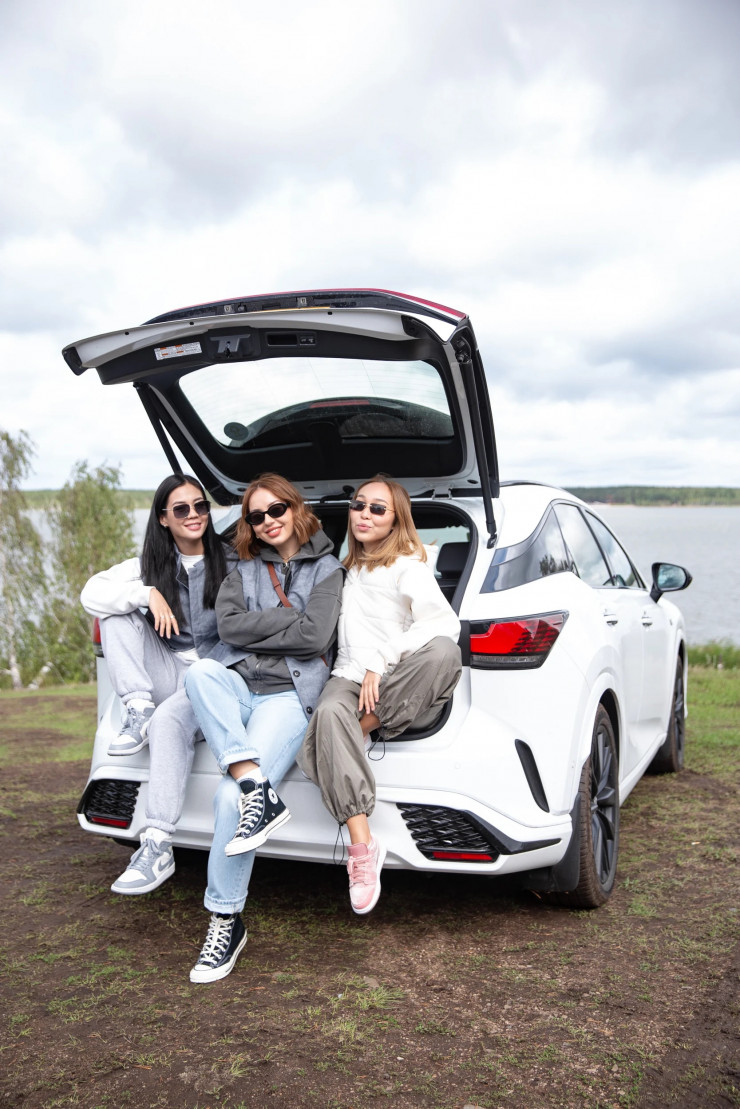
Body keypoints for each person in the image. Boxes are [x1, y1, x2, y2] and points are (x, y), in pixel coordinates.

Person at [184, 473, 344, 983]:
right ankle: (255, 780)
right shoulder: (242, 565)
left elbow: (315, 637)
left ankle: (225, 921)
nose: (268, 521)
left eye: (277, 510)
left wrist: (269, 625)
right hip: (237, 684)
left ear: (295, 508)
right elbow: (227, 627)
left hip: (287, 696)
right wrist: (290, 620)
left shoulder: (329, 569)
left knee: (229, 801)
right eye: (257, 516)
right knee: (200, 673)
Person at [298, 475, 462, 916]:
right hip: (347, 677)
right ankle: (363, 849)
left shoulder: (408, 566)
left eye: (377, 508)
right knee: (329, 711)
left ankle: (353, 735)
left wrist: (382, 658)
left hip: (393, 677)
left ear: (395, 520)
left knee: (445, 653)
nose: (364, 514)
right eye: (358, 505)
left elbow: (443, 624)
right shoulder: (342, 568)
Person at [80, 473, 237, 895]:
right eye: (181, 509)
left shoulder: (232, 560)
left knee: (169, 721)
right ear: (163, 518)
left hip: (213, 679)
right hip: (166, 672)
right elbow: (91, 593)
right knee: (115, 612)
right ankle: (138, 709)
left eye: (200, 506)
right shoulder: (149, 564)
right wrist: (146, 593)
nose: (193, 515)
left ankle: (157, 842)